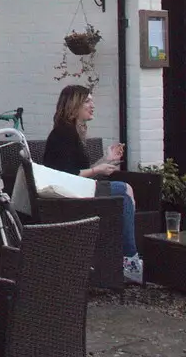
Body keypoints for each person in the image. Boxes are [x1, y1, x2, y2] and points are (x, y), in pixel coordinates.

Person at [42, 85, 143, 284]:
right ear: (74, 105)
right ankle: (129, 260)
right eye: (87, 101)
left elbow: (80, 173)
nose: (92, 105)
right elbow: (67, 176)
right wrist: (98, 170)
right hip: (66, 200)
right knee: (124, 190)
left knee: (125, 190)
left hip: (75, 191)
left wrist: (106, 161)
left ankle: (127, 258)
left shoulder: (71, 132)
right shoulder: (63, 134)